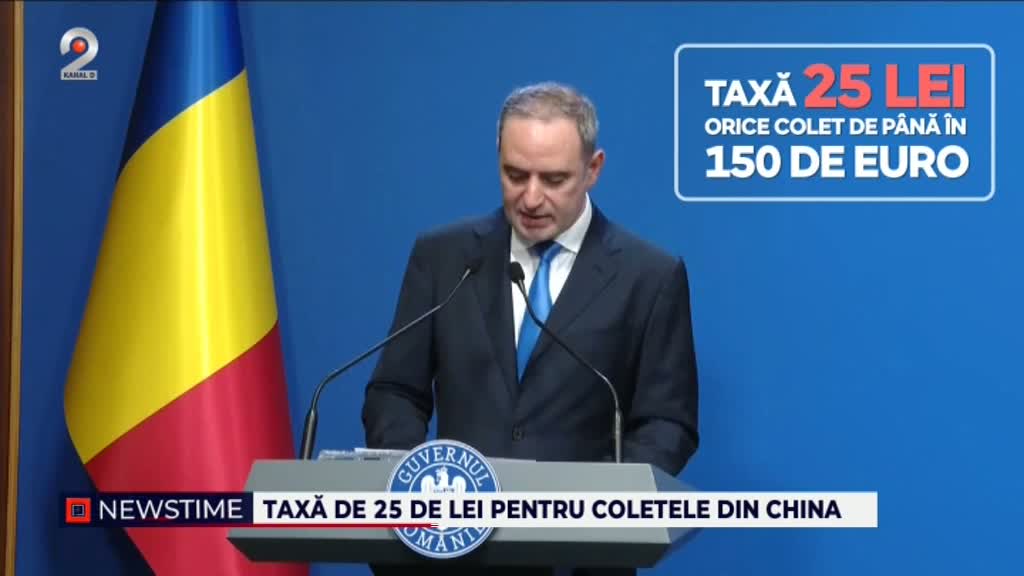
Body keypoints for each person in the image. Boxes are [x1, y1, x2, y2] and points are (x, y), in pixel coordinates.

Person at [362, 82, 699, 575]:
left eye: (554, 179)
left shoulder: (648, 276)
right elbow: (395, 391)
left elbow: (668, 422)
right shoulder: (445, 257)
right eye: (515, 175)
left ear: (593, 169)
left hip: (580, 559)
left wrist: (604, 505)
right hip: (451, 553)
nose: (531, 198)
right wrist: (418, 486)